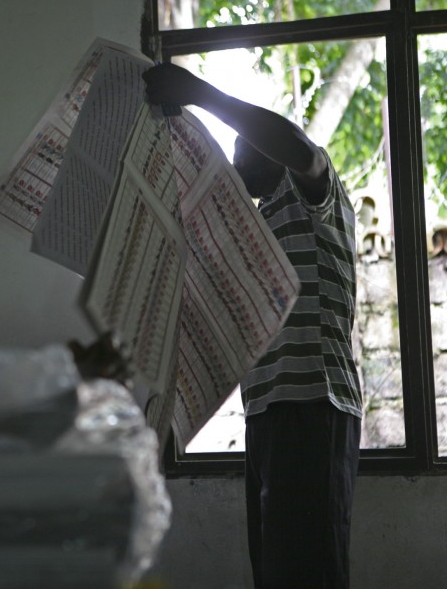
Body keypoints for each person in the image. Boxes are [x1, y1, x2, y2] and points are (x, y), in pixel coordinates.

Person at [144, 63, 362, 589]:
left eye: (247, 146)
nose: (238, 156)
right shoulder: (258, 225)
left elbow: (297, 146)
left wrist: (200, 93)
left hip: (314, 407)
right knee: (277, 573)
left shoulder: (316, 198)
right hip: (267, 415)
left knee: (306, 572)